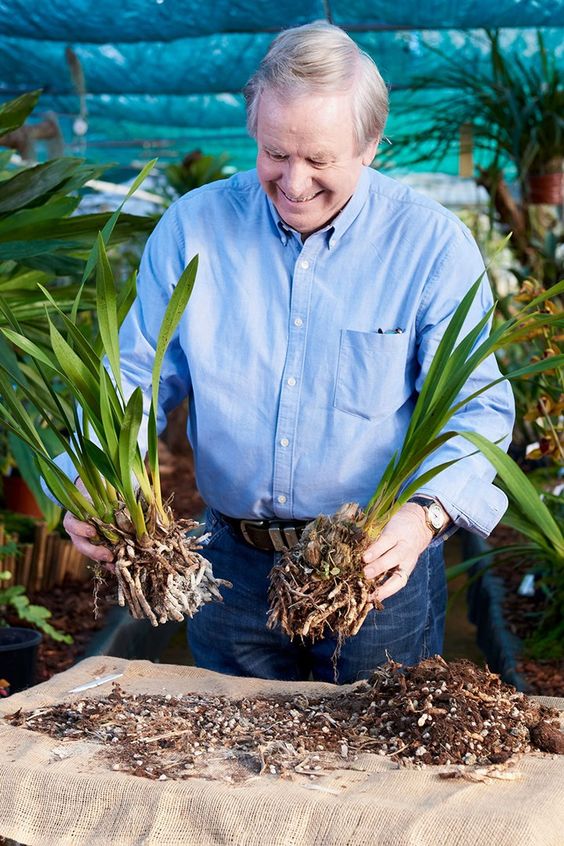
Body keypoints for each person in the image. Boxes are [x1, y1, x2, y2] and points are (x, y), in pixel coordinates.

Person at [63, 21, 514, 684]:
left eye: (319, 160)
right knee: (236, 768)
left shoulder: (430, 246)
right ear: (255, 132)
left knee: (370, 769)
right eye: (276, 153)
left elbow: (477, 407)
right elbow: (132, 373)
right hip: (231, 564)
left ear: (369, 145)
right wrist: (92, 474)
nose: (294, 182)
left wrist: (427, 515)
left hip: (370, 570)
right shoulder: (195, 227)